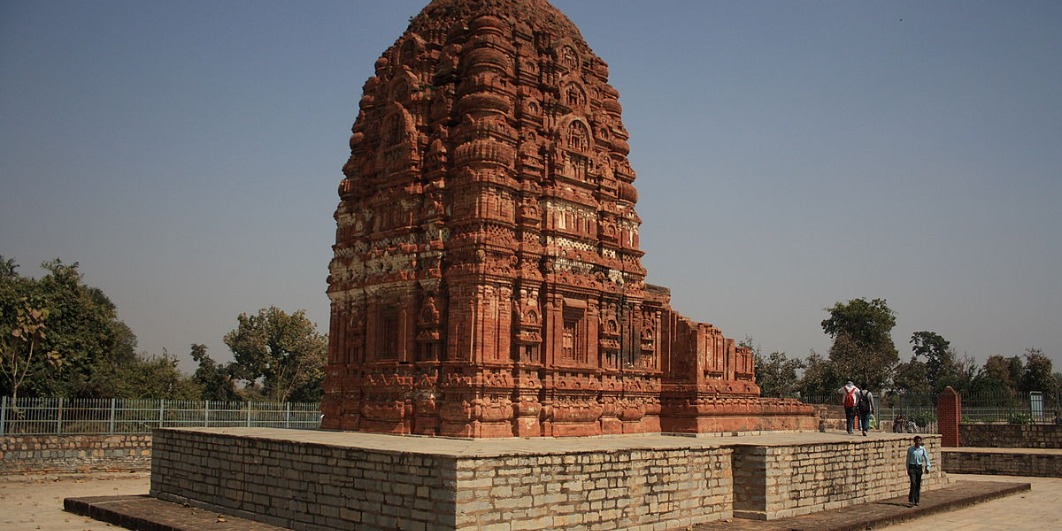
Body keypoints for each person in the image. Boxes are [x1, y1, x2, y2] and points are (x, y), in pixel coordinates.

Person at [906, 435, 932, 507]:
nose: (918, 443)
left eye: (919, 441)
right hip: (912, 467)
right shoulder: (911, 449)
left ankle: (916, 500)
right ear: (914, 442)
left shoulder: (922, 449)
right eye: (917, 441)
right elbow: (908, 460)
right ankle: (911, 500)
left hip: (918, 468)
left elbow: (927, 459)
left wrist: (928, 467)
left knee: (917, 484)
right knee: (913, 483)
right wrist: (908, 469)